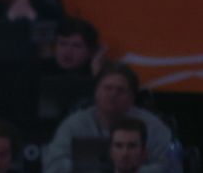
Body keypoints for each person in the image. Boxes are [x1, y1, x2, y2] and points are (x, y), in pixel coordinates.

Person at [42, 63, 176, 173]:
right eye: (108, 88)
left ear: (132, 97)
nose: (113, 95)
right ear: (96, 92)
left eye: (120, 90)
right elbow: (53, 166)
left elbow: (170, 167)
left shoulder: (153, 127)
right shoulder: (74, 125)